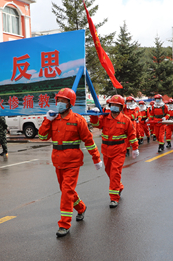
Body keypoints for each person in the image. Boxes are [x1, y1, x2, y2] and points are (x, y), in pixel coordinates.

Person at [38, 88, 102, 238]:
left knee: (66, 192)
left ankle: (64, 224)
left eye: (63, 101)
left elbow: (89, 141)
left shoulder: (78, 120)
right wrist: (47, 120)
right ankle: (81, 207)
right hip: (58, 161)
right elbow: (42, 136)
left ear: (70, 103)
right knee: (66, 190)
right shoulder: (53, 120)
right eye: (58, 100)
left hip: (73, 162)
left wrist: (96, 158)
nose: (59, 103)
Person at [89, 95, 138, 208]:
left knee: (115, 172)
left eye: (117, 105)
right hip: (106, 150)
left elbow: (132, 134)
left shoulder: (125, 120)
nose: (114, 107)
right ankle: (119, 186)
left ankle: (114, 198)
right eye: (113, 104)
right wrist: (94, 116)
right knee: (109, 171)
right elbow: (96, 125)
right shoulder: (105, 117)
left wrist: (135, 148)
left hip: (119, 151)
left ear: (121, 107)